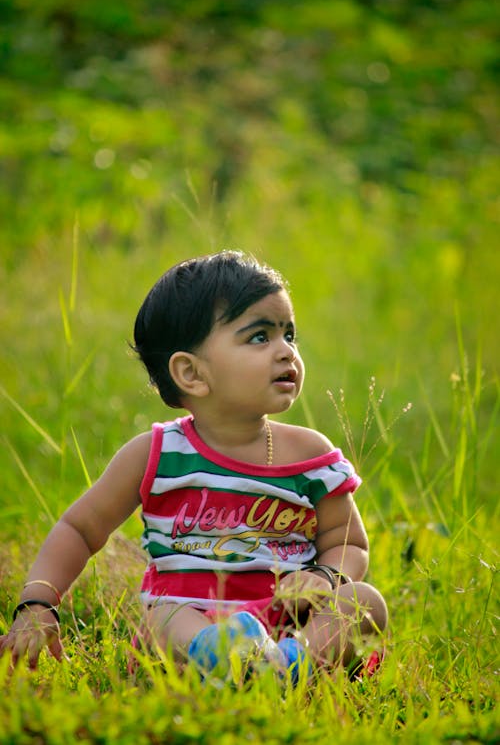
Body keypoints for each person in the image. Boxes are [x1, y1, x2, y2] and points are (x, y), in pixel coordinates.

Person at [0, 251, 388, 682]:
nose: (286, 353)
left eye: (289, 335)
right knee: (161, 620)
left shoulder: (310, 455)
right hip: (189, 627)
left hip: (288, 624)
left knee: (363, 602)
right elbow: (80, 528)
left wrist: (324, 575)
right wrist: (37, 602)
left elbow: (348, 541)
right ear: (191, 374)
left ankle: (284, 668)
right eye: (260, 337)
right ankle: (228, 661)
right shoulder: (156, 454)